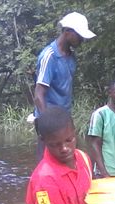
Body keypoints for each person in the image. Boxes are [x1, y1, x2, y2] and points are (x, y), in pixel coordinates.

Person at [32, 12, 96, 161]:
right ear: (67, 32)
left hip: (65, 116)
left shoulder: (70, 56)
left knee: (71, 159)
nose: (82, 40)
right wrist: (47, 125)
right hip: (49, 119)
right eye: (79, 35)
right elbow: (38, 95)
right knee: (47, 160)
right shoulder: (49, 56)